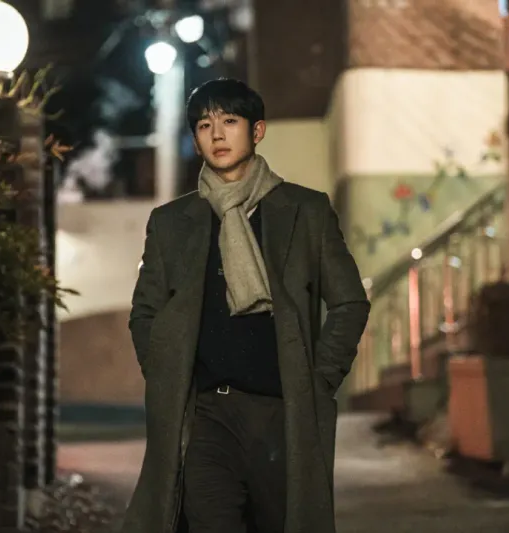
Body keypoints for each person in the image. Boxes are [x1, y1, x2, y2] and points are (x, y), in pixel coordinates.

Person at [121, 78, 370, 533]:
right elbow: (144, 313)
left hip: (282, 412)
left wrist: (319, 380)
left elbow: (349, 302)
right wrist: (164, 373)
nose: (216, 134)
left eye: (230, 121)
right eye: (204, 125)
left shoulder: (305, 211)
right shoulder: (172, 223)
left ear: (257, 131)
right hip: (205, 416)